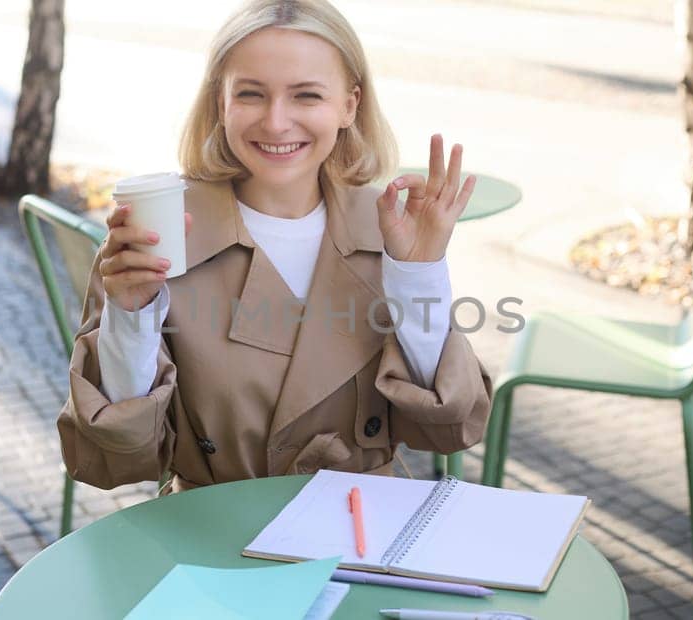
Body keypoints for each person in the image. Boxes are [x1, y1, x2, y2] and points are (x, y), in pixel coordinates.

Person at [58, 0, 491, 492]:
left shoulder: (389, 232)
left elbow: (451, 426)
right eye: (251, 94)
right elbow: (113, 460)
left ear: (349, 105)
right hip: (214, 535)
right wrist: (131, 318)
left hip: (361, 531)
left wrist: (418, 275)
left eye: (306, 96)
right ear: (220, 102)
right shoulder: (156, 239)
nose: (277, 122)